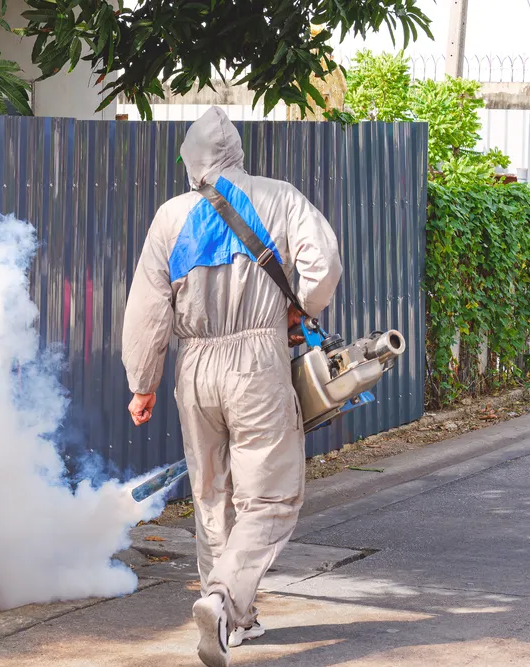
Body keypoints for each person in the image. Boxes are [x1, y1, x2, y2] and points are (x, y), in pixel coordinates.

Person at [121, 106, 342, 667]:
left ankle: (233, 621)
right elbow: (324, 268)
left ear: (190, 161)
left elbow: (148, 307)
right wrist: (301, 312)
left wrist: (142, 382)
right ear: (237, 152)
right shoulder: (280, 197)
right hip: (256, 362)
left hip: (194, 367)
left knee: (211, 494)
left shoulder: (170, 215)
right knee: (268, 496)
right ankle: (223, 598)